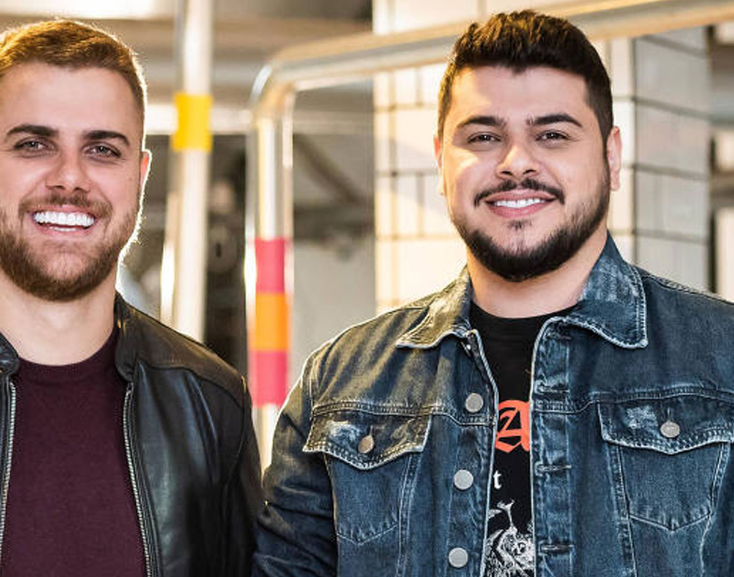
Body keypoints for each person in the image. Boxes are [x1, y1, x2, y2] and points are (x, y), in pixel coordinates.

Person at [253, 10, 734, 577]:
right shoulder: (341, 384)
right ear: (441, 161)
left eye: (552, 135)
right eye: (483, 137)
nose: (516, 163)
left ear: (611, 157)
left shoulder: (722, 359)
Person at [0, 20, 261, 576]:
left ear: (139, 176)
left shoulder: (209, 405)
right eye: (34, 144)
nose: (70, 178)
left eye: (102, 149)